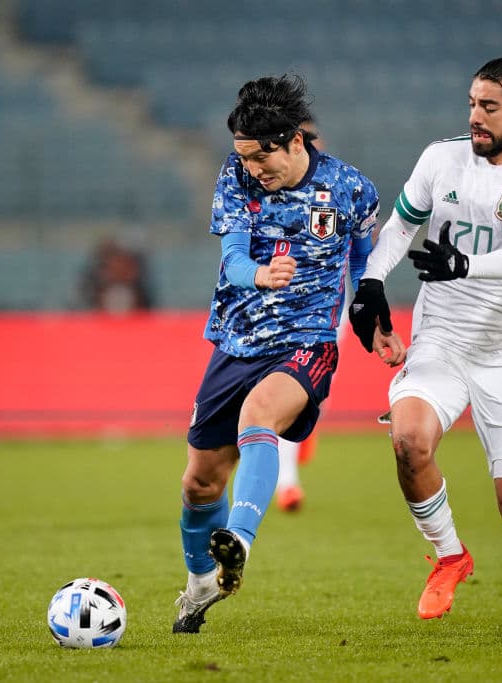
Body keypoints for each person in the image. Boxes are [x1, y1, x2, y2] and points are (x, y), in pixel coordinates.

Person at [348, 51, 502, 640]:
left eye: (489, 107)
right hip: (440, 337)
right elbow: (399, 228)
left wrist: (462, 263)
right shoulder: (441, 159)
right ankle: (450, 556)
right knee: (408, 443)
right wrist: (371, 282)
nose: (475, 116)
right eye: (472, 103)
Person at [172, 75, 394, 634]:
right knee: (200, 481)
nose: (252, 169)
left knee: (259, 416)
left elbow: (365, 264)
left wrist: (374, 321)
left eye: (260, 158)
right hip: (236, 338)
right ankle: (201, 579)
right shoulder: (234, 175)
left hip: (307, 342)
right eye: (243, 157)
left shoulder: (351, 190)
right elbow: (232, 257)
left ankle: (239, 544)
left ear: (296, 141)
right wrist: (261, 275)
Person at [274, 115, 326, 513]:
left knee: (303, 396)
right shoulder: (265, 193)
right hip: (279, 314)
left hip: (328, 312)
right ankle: (287, 483)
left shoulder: (336, 189)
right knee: (283, 397)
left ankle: (306, 421)